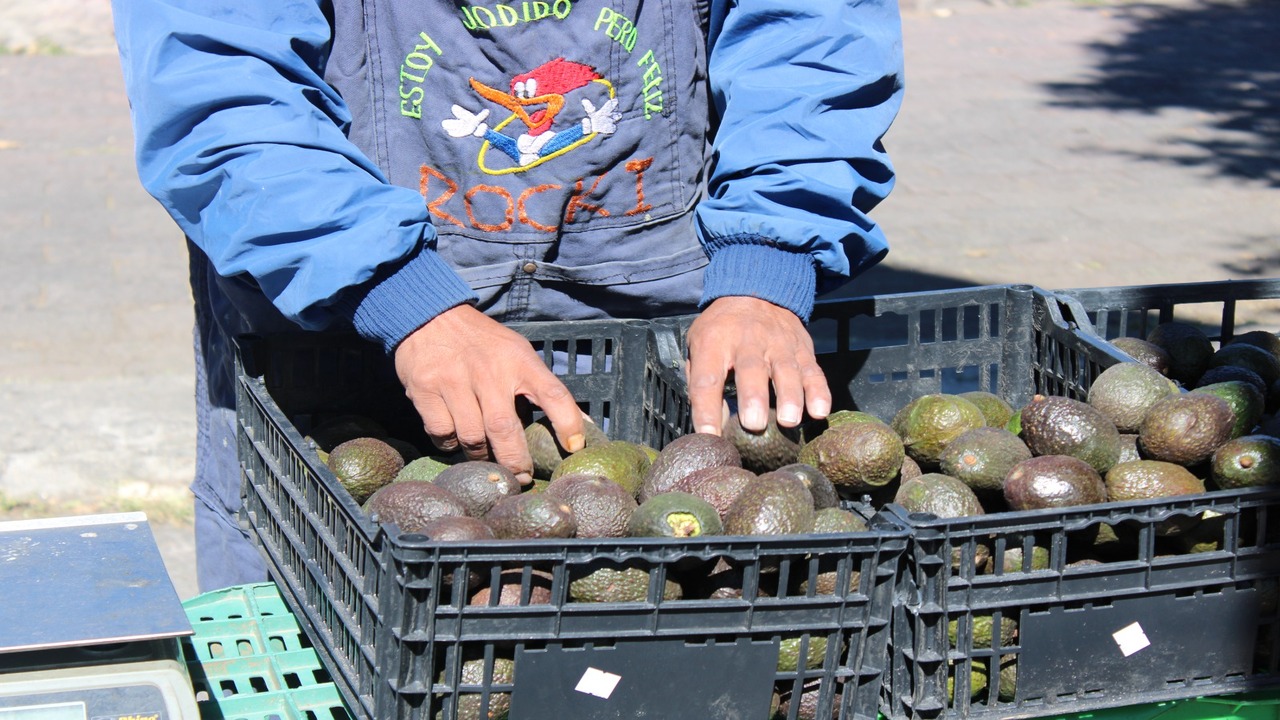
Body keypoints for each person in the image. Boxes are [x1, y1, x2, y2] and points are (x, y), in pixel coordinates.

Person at [111, 0, 905, 592]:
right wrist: (393, 288)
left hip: (653, 318)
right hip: (332, 327)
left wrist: (771, 247)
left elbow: (812, 34)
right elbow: (219, 85)